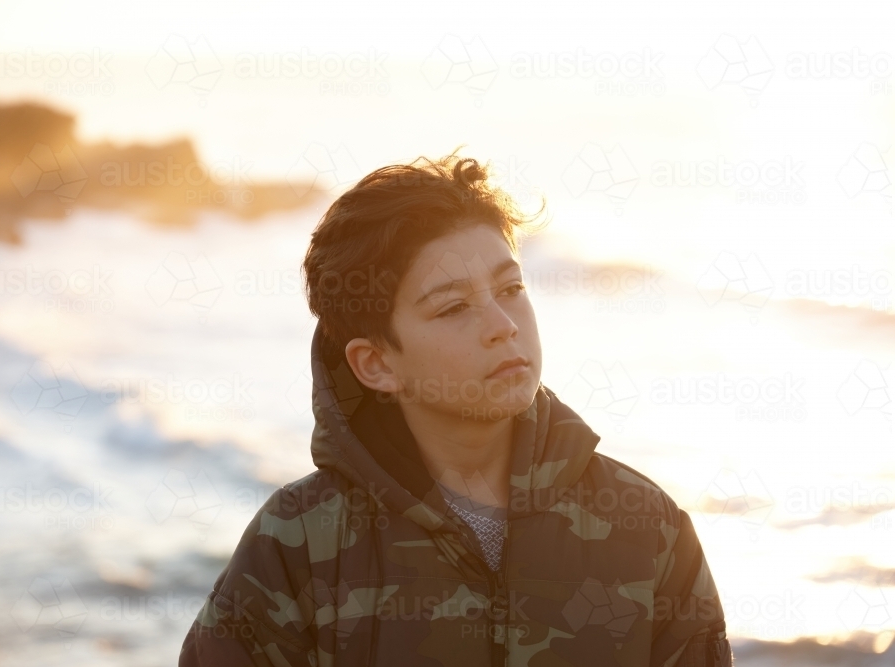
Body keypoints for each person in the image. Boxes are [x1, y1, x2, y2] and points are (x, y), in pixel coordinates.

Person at [179, 152, 734, 666]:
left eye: (510, 288)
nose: (503, 325)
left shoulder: (645, 528)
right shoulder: (295, 545)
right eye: (453, 308)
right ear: (376, 364)